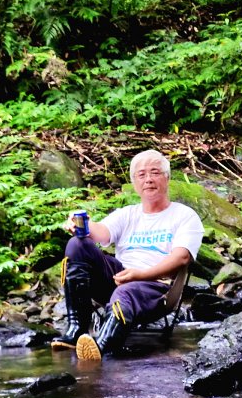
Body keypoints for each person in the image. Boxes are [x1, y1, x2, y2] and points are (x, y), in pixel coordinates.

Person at [51, 149, 204, 361]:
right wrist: (81, 225)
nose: (148, 179)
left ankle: (100, 348)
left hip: (157, 286)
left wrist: (140, 275)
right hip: (121, 278)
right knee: (77, 244)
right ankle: (77, 328)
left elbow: (182, 258)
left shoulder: (184, 216)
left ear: (167, 178)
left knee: (126, 292)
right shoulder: (128, 214)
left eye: (155, 173)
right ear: (134, 183)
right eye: (141, 175)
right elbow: (101, 233)